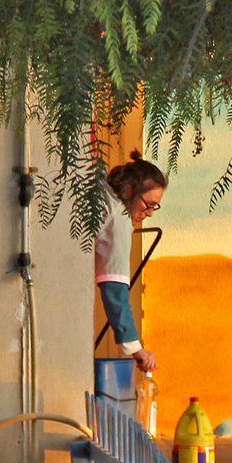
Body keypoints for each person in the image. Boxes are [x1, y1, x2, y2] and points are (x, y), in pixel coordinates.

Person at [96, 151, 166, 373]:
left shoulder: (99, 191)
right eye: (149, 204)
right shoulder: (119, 219)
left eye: (156, 206)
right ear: (128, 190)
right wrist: (136, 349)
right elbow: (114, 289)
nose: (151, 213)